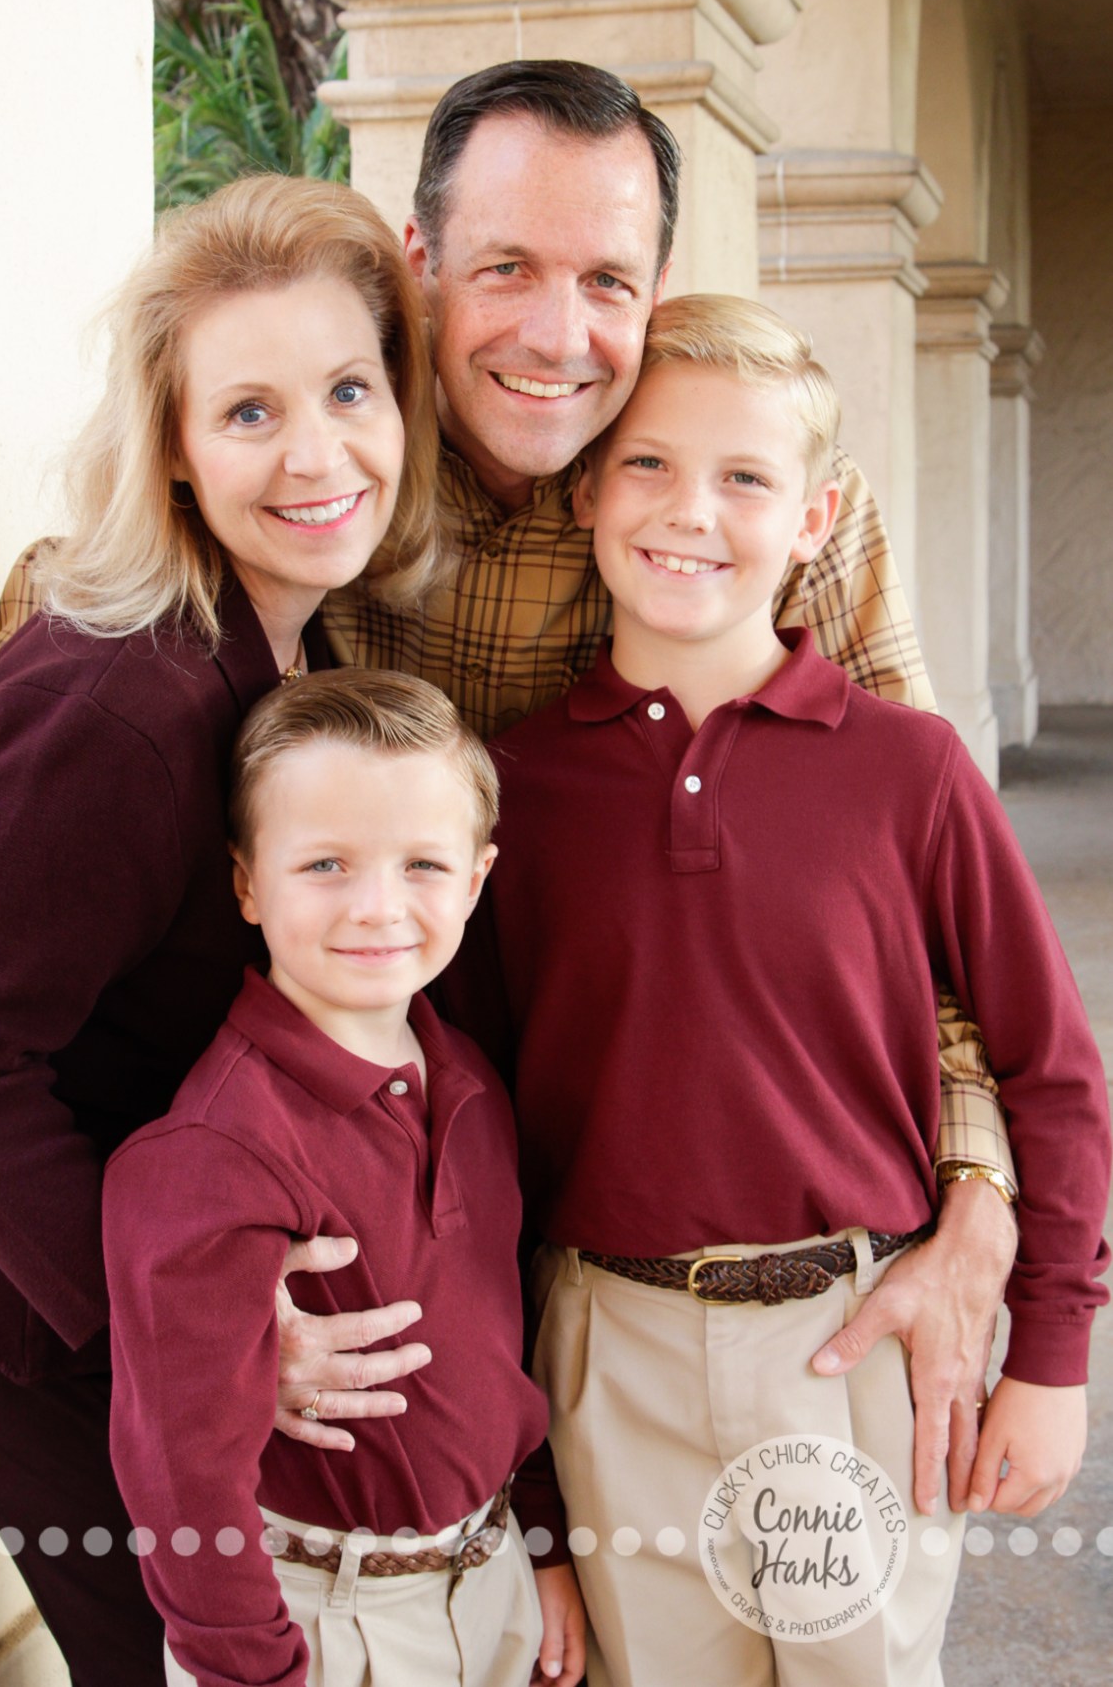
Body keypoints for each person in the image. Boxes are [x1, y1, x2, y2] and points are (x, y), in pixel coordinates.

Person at [0, 61, 1018, 1513]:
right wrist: (185, 1306)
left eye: (607, 281)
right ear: (420, 265)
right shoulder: (321, 489)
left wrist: (985, 1202)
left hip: (626, 1194)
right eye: (506, 267)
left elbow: (933, 895)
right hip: (279, 1202)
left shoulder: (741, 494)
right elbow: (6, 831)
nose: (557, 334)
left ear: (658, 286)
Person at [450, 295, 1110, 1685]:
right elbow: (478, 1134)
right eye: (648, 464)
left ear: (815, 521)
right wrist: (526, 1481)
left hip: (846, 1351)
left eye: (746, 477)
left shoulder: (909, 770)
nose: (691, 509)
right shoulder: (511, 790)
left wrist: (1052, 1348)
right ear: (585, 491)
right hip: (607, 1350)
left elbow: (1050, 1066)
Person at [0, 174, 445, 1685]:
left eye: (350, 388)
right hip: (10, 1304)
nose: (318, 452)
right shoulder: (127, 707)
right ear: (169, 443)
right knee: (180, 1658)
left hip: (144, 1258)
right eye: (248, 412)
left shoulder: (283, 643)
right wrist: (191, 1334)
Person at [103, 668, 585, 1687]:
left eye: (421, 864)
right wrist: (253, 1671)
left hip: (489, 1579)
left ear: (477, 878)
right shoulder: (211, 1151)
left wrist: (536, 1540)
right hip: (320, 1623)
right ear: (244, 881)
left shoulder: (471, 1087)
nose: (378, 907)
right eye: (324, 863)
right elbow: (182, 1482)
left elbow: (501, 1349)